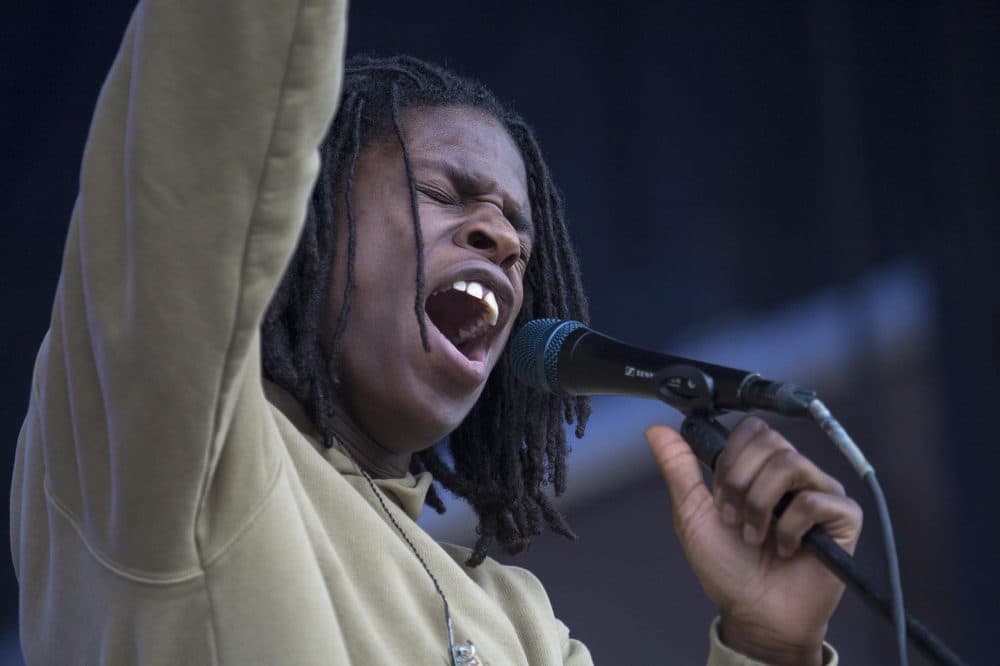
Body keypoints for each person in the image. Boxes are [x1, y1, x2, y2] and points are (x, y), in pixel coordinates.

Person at [10, 0, 862, 664]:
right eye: (447, 194)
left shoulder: (522, 627)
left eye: (521, 237)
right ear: (302, 224)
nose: (503, 238)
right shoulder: (177, 436)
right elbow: (208, 116)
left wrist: (770, 646)